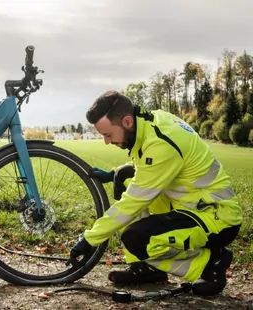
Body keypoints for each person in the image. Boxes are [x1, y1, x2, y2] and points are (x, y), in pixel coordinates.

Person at [67, 90, 242, 296]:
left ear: (127, 122)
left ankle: (210, 263)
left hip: (216, 216)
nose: (106, 141)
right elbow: (148, 165)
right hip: (189, 203)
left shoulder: (161, 142)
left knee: (136, 238)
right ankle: (144, 269)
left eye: (108, 135)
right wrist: (113, 174)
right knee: (124, 176)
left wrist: (90, 240)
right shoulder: (151, 122)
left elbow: (132, 202)